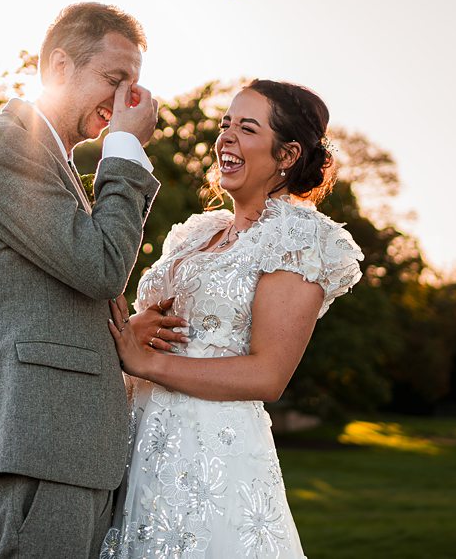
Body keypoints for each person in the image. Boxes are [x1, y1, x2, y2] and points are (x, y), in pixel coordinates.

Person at [0, 2, 185, 558]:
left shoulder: (54, 162)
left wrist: (121, 330)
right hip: (30, 451)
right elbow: (100, 266)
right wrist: (124, 149)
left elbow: (63, 288)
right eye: (114, 78)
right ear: (57, 67)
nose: (127, 99)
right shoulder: (8, 146)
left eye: (134, 85)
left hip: (61, 452)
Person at [102, 79, 364, 558]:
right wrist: (136, 330)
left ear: (286, 156)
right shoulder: (195, 234)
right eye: (226, 125)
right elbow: (150, 329)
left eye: (247, 128)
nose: (226, 138)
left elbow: (268, 374)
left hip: (212, 455)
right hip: (138, 444)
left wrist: (151, 365)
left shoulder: (297, 238)